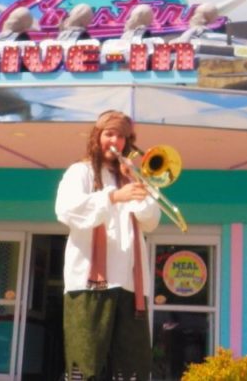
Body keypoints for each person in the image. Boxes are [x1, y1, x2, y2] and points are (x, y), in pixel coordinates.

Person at [55, 110, 160, 380]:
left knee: (132, 367)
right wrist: (113, 196)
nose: (116, 141)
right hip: (88, 285)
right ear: (97, 136)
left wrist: (139, 187)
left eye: (122, 136)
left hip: (131, 287)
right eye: (109, 134)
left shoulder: (133, 177)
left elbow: (151, 221)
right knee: (85, 363)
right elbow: (66, 210)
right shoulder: (80, 172)